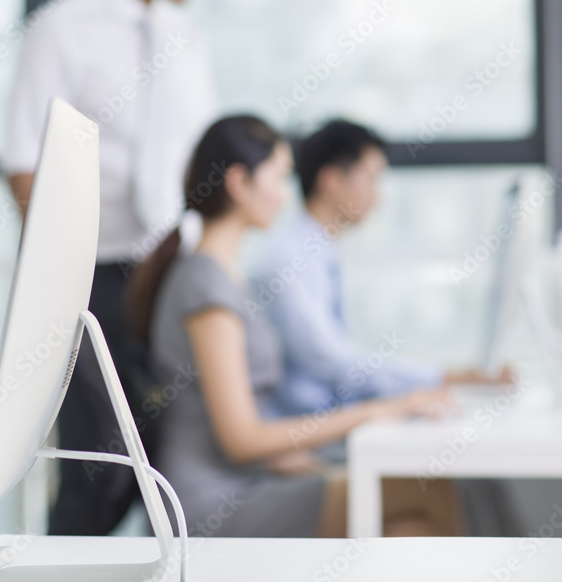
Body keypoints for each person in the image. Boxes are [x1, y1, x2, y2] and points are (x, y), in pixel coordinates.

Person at [128, 115, 464, 537]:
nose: (285, 196)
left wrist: (324, 463)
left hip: (250, 479)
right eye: (279, 177)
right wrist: (374, 412)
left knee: (412, 529)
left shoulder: (224, 276)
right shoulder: (205, 284)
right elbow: (242, 439)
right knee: (425, 491)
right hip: (211, 502)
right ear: (239, 182)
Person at [0, 0, 218, 536]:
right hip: (94, 278)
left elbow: (198, 160)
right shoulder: (62, 29)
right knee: (99, 464)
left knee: (169, 458)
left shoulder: (188, 37)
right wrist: (58, 291)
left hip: (172, 279)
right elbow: (24, 165)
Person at [249, 120, 510, 418]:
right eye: (371, 179)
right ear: (331, 180)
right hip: (305, 437)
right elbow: (333, 361)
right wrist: (446, 378)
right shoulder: (289, 260)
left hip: (328, 426)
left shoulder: (321, 254)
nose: (378, 197)